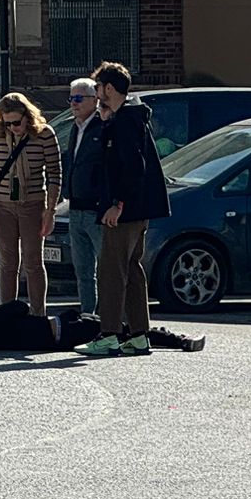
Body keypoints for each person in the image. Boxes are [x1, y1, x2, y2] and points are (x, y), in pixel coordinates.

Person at [78, 61, 170, 358]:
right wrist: (106, 122)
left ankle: (110, 334)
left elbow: (132, 166)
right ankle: (139, 335)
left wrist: (117, 203)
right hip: (135, 207)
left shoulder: (127, 120)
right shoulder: (125, 117)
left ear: (109, 88)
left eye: (99, 88)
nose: (97, 94)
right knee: (131, 268)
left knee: (111, 270)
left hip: (125, 209)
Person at [0, 91, 62, 313]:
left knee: (33, 262)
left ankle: (38, 314)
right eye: (7, 123)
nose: (13, 127)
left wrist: (50, 210)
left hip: (33, 202)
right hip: (3, 204)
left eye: (17, 122)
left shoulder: (45, 134)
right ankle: (6, 314)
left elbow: (55, 173)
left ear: (27, 116)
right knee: (7, 263)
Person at [62, 76, 104, 316]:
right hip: (75, 208)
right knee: (83, 270)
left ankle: (110, 318)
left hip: (96, 210)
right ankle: (89, 315)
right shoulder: (74, 127)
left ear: (94, 99)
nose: (74, 103)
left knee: (106, 269)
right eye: (71, 98)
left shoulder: (103, 125)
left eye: (79, 98)